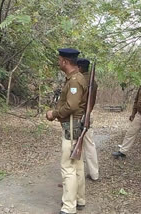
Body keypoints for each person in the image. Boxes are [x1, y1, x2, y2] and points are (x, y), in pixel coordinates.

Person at [46, 48, 88, 214]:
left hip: (72, 126)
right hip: (75, 125)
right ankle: (79, 199)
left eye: (59, 60)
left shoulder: (75, 81)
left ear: (65, 61)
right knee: (77, 164)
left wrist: (53, 114)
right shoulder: (76, 78)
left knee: (68, 166)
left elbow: (71, 106)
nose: (58, 62)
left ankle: (69, 207)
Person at [77, 58, 99, 181]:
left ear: (79, 67)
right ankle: (94, 174)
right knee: (90, 145)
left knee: (77, 144)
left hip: (81, 115)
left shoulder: (80, 80)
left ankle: (75, 175)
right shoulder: (92, 81)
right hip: (87, 114)